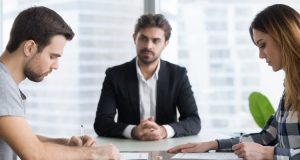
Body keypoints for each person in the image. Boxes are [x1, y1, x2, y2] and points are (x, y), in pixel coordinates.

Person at [168, 4, 300, 160]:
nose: (261, 55)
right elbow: (268, 136)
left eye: (263, 45)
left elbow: (267, 148)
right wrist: (213, 145)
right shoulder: (290, 87)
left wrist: (268, 153)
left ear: (283, 36)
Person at [0, 6, 119, 160]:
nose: (56, 66)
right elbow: (34, 154)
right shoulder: (2, 86)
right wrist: (96, 153)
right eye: (52, 56)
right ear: (29, 48)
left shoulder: (6, 82)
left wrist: (64, 145)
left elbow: (16, 139)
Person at [94, 13, 201, 141]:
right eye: (143, 39)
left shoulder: (178, 75)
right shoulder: (114, 76)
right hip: (128, 150)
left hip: (166, 149)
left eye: (156, 40)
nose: (148, 46)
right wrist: (132, 131)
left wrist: (164, 131)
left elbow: (194, 121)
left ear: (166, 43)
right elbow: (101, 123)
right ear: (135, 38)